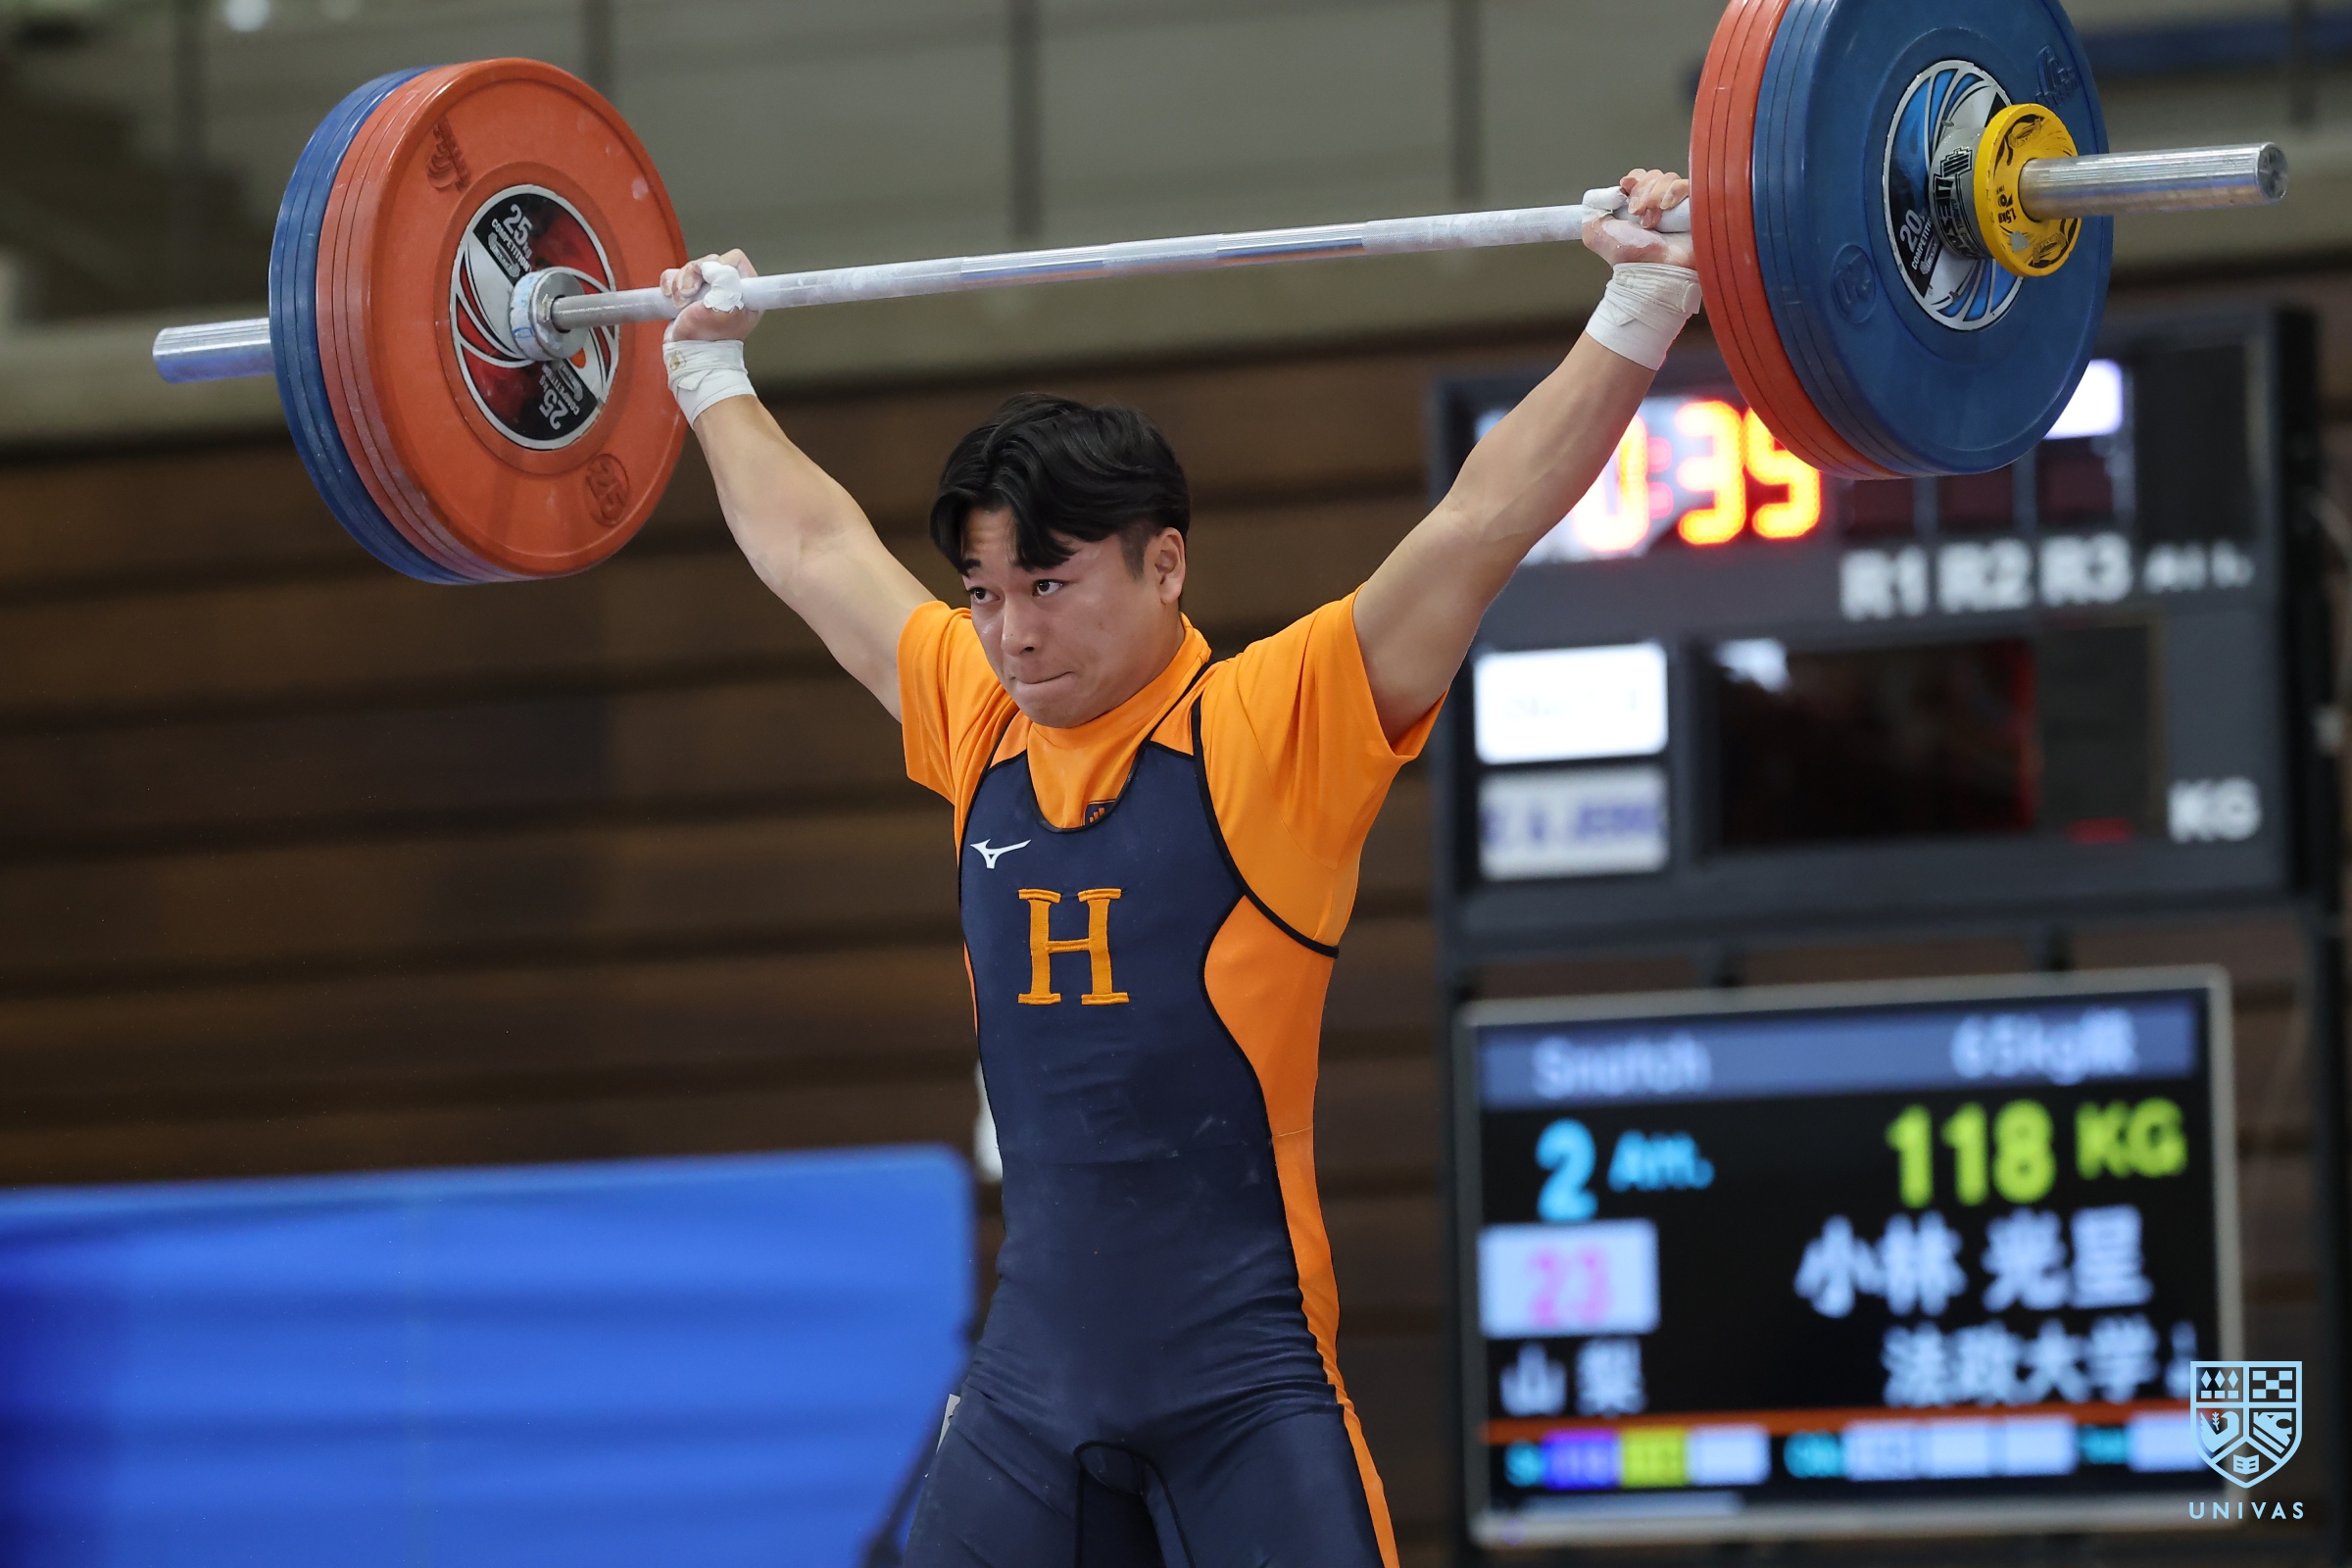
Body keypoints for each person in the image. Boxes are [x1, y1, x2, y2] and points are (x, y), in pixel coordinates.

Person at [658, 169, 1699, 1568]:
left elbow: (1480, 522)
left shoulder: (1272, 725)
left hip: (1245, 1396)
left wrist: (1646, 298)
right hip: (1030, 1392)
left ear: (1164, 565)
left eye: (1050, 584)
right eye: (984, 595)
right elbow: (810, 543)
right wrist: (707, 371)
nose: (1013, 634)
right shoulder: (979, 717)